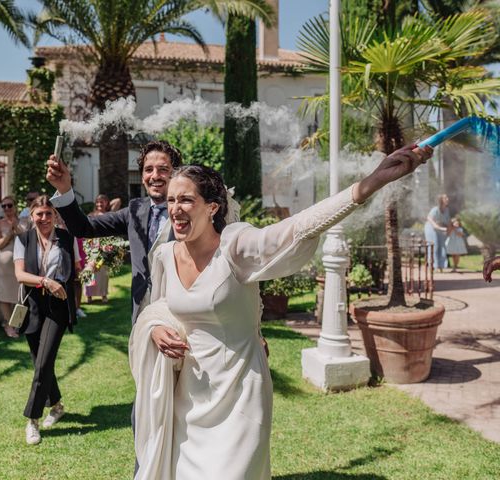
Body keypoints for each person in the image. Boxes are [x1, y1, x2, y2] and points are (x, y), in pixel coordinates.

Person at [129, 144, 433, 479]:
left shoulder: (236, 247)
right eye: (171, 200)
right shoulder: (165, 255)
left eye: (185, 200)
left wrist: (372, 181)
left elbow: (299, 227)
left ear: (212, 207)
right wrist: (156, 328)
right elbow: (158, 308)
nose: (175, 209)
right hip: (189, 396)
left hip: (240, 392)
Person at [46, 140, 183, 324]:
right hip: (142, 310)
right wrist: (64, 189)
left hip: (180, 310)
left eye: (163, 169)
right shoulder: (134, 211)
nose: (155, 176)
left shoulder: (189, 212)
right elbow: (83, 227)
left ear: (175, 174)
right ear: (142, 176)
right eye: (148, 169)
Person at [13, 195, 77, 445]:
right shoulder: (22, 239)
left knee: (43, 363)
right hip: (32, 306)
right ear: (31, 216)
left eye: (48, 213)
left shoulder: (65, 238)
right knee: (42, 362)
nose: (44, 218)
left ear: (55, 215)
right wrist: (44, 281)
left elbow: (73, 268)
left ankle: (32, 420)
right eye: (39, 214)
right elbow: (20, 274)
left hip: (56, 307)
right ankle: (58, 406)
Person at [0, 196, 28, 338]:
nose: (7, 208)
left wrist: (16, 227)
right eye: (4, 206)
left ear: (15, 206)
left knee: (23, 294)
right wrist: (9, 232)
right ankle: (9, 324)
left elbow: (27, 240)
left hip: (22, 263)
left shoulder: (25, 221)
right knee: (4, 296)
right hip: (3, 265)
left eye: (9, 205)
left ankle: (18, 323)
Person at [84, 194, 112, 303]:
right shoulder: (91, 215)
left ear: (107, 203)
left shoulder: (110, 215)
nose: (100, 204)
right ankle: (89, 295)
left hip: (105, 245)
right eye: (98, 202)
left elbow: (117, 201)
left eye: (102, 202)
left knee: (103, 273)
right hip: (92, 245)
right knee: (91, 271)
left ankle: (103, 295)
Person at [424, 194, 451, 272]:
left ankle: (441, 266)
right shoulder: (435, 209)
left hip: (440, 229)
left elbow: (448, 222)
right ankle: (432, 266)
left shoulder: (447, 210)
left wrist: (449, 230)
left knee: (442, 246)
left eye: (447, 197)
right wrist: (439, 227)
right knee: (434, 246)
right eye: (445, 197)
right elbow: (429, 218)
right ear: (441, 200)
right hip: (431, 228)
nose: (447, 199)